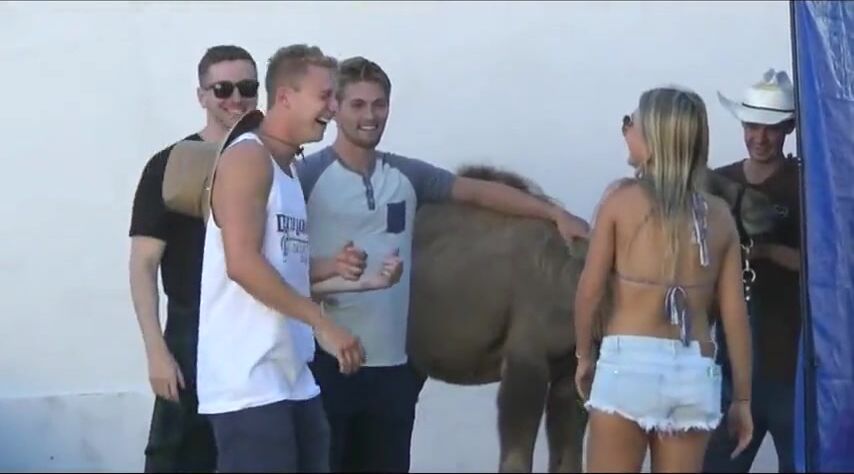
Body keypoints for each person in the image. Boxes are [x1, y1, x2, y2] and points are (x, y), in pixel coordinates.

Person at [294, 56, 591, 473]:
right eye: (357, 105)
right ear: (335, 107)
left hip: (393, 365)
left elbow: (478, 193)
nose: (370, 116)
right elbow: (272, 260)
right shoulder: (303, 177)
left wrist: (554, 214)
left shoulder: (407, 175)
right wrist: (330, 268)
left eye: (379, 104)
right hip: (329, 360)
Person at [195, 44, 402, 473]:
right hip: (249, 384)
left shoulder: (287, 171)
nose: (333, 108)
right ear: (286, 97)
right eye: (325, 96)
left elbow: (285, 272)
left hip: (293, 380)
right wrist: (324, 324)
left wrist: (356, 278)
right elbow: (242, 264)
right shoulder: (248, 157)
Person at [573, 86, 754, 472]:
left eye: (631, 123)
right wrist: (742, 399)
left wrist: (584, 356)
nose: (626, 130)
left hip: (627, 365)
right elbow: (735, 317)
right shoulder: (720, 217)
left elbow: (589, 291)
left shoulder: (620, 203)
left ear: (654, 140)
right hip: (693, 373)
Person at [128, 44, 258, 473]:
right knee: (177, 457)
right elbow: (143, 264)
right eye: (222, 89)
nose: (236, 98)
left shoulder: (274, 163)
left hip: (257, 330)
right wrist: (156, 351)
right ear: (201, 95)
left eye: (247, 87)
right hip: (192, 332)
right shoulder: (170, 164)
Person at [702, 69, 801, 473]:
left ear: (789, 128)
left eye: (771, 128)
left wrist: (766, 253)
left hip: (794, 365)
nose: (760, 138)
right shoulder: (717, 182)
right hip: (733, 367)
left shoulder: (807, 184)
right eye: (752, 126)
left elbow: (830, 267)